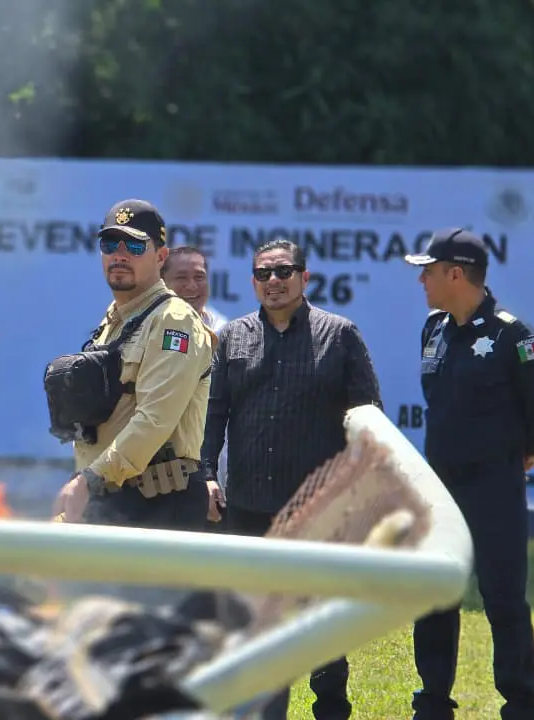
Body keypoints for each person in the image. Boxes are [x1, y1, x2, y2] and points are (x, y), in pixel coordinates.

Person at [202, 237, 382, 720]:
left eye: (284, 271)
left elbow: (368, 417)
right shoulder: (233, 337)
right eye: (264, 273)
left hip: (317, 507)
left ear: (305, 277)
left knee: (322, 626)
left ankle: (331, 713)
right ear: (253, 282)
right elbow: (214, 414)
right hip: (249, 508)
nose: (274, 281)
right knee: (255, 628)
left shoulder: (339, 335)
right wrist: (206, 475)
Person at [403, 229, 534, 720]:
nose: (422, 281)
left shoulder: (515, 337)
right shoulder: (434, 329)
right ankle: (432, 702)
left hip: (494, 487)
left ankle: (521, 705)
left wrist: (518, 453)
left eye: (429, 271)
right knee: (435, 594)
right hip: (441, 487)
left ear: (456, 273)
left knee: (503, 598)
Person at [50, 199, 215, 529]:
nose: (120, 255)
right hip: (108, 497)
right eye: (110, 245)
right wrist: (86, 481)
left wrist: (88, 481)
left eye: (135, 245)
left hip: (159, 507)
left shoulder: (174, 320)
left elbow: (154, 419)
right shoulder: (117, 317)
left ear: (161, 257)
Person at [161, 245, 227, 524]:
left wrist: (210, 476)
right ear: (162, 282)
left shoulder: (225, 333)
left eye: (199, 277)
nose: (191, 286)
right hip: (156, 477)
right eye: (181, 278)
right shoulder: (147, 329)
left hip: (211, 480)